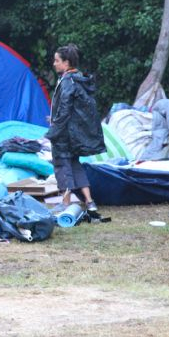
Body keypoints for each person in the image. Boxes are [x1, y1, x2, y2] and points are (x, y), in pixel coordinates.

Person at [45, 44, 106, 217]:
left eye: (57, 60)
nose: (54, 63)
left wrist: (54, 129)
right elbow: (74, 109)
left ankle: (65, 204)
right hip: (74, 133)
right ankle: (89, 202)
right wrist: (55, 118)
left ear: (66, 63)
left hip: (64, 135)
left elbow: (65, 107)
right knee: (75, 166)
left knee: (62, 166)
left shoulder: (67, 82)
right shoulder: (78, 79)